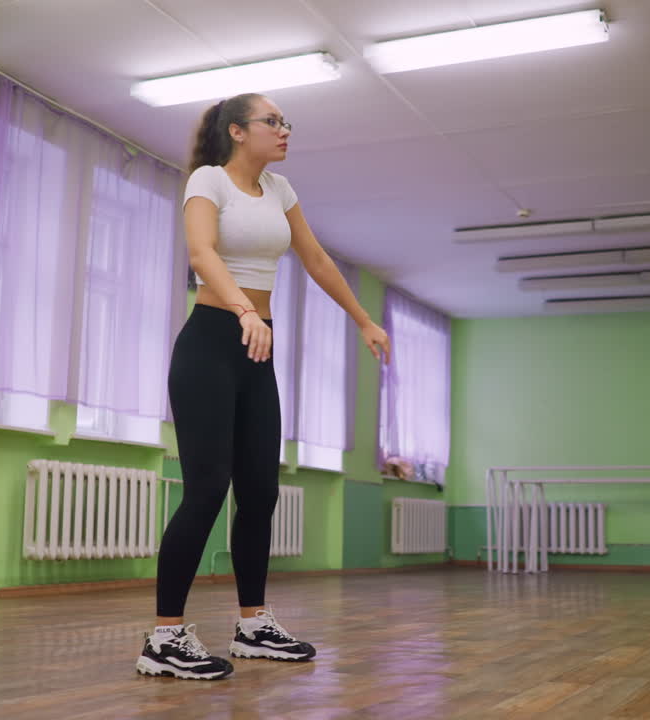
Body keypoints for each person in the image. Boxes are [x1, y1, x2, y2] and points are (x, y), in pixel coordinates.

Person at [135, 93, 391, 681]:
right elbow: (202, 252)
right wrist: (242, 311)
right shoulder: (208, 180)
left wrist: (363, 319)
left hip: (257, 347)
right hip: (210, 345)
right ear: (237, 131)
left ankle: (253, 624)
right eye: (271, 121)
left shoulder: (280, 190)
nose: (283, 130)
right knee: (206, 490)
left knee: (260, 490)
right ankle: (164, 635)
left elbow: (318, 259)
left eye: (285, 122)